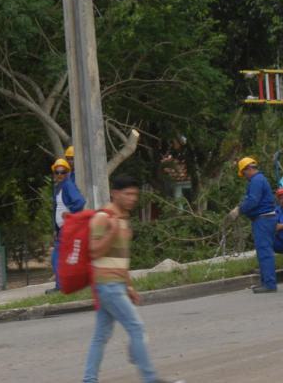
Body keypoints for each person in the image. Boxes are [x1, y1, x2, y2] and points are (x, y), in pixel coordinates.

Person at [83, 174, 184, 383]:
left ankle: (89, 380)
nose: (132, 199)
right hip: (107, 286)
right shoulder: (103, 217)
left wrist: (129, 286)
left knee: (101, 336)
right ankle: (150, 378)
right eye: (127, 194)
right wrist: (111, 232)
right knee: (136, 328)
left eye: (134, 195)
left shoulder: (123, 218)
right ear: (115, 193)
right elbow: (93, 252)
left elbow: (121, 259)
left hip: (116, 285)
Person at [228, 157, 279, 293]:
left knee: (264, 252)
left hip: (263, 219)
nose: (244, 176)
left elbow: (253, 200)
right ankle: (267, 281)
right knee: (264, 251)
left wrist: (240, 210)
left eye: (243, 173)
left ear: (248, 169)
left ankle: (269, 284)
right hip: (264, 219)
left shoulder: (256, 181)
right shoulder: (258, 180)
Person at [48, 157, 85, 294]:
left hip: (68, 228)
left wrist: (71, 216)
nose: (59, 175)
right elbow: (57, 209)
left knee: (57, 257)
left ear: (67, 173)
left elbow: (80, 202)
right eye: (57, 172)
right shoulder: (58, 188)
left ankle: (61, 287)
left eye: (62, 172)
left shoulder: (68, 185)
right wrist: (56, 229)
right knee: (69, 257)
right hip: (62, 229)